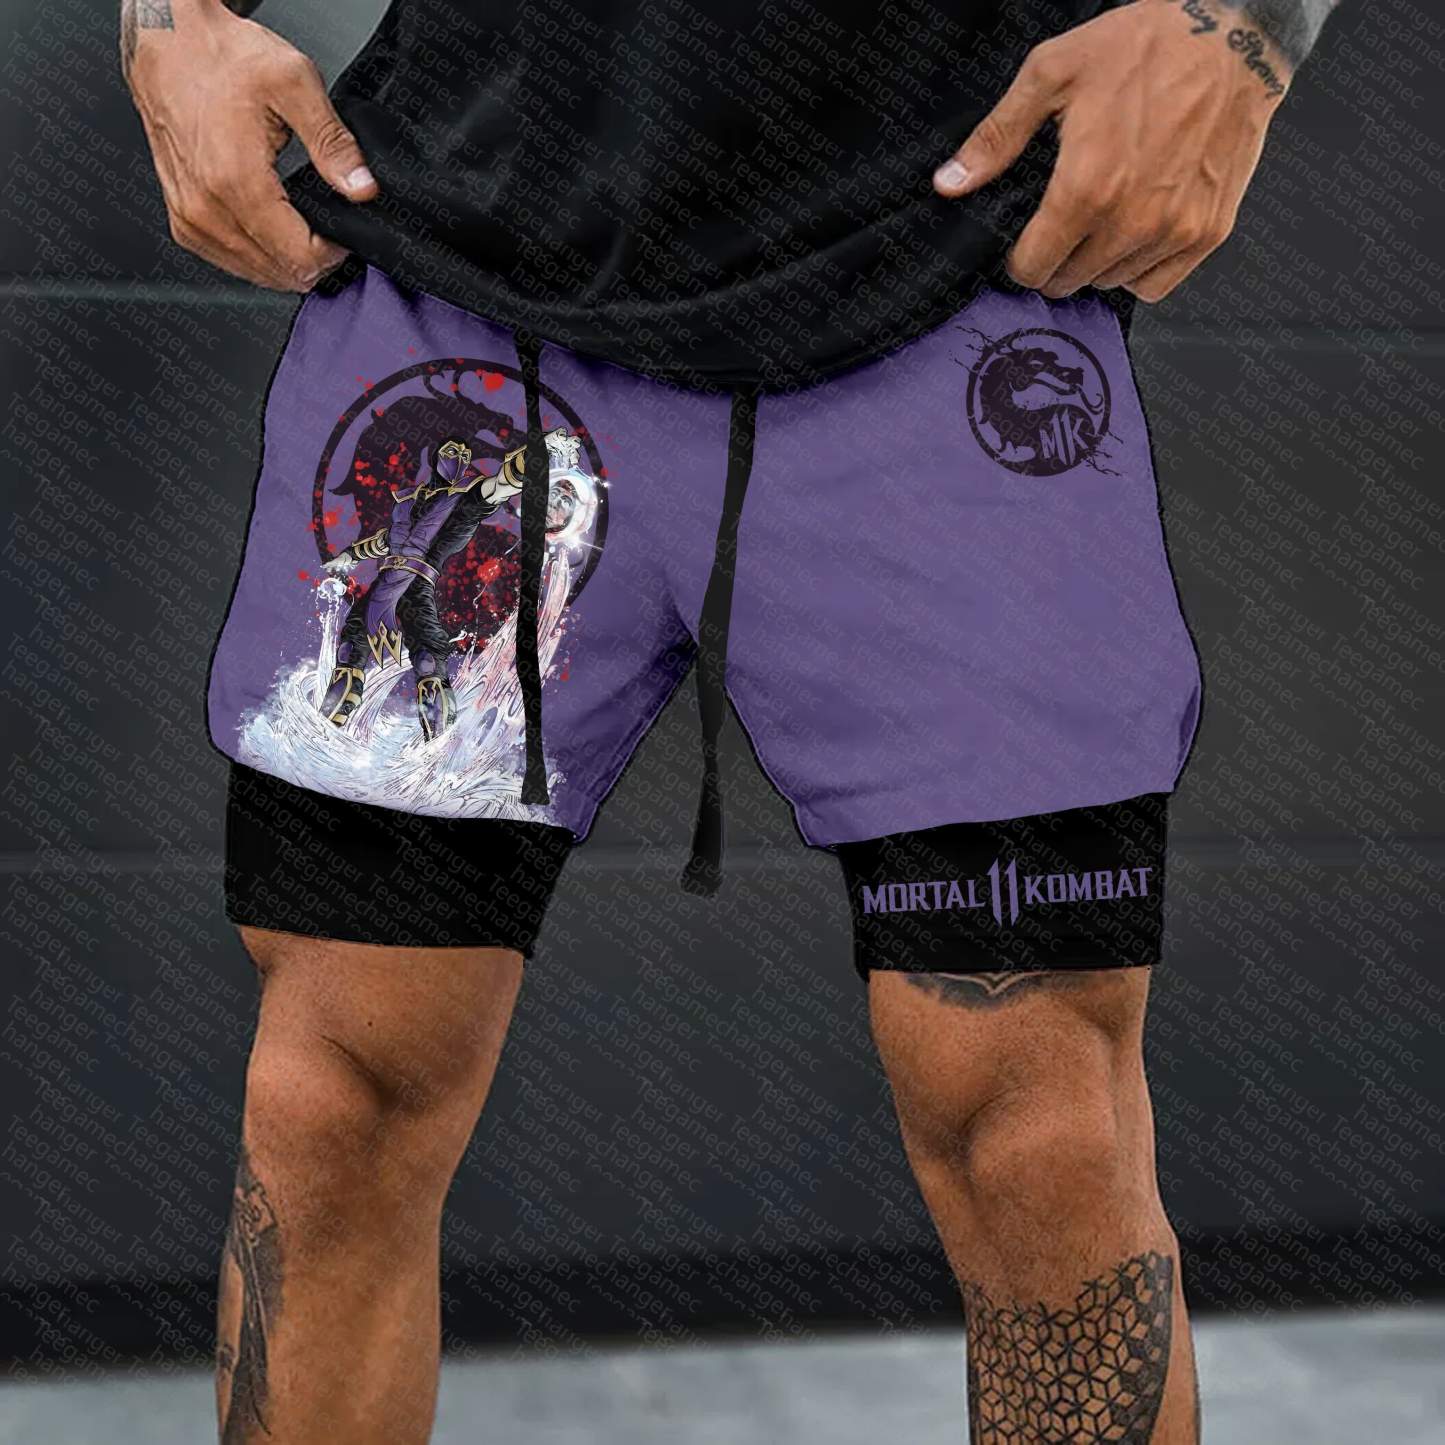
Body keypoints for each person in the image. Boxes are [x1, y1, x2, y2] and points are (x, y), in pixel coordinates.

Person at [121, 1, 1341, 1441]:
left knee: (1038, 1132)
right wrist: (167, 23)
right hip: (464, 289)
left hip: (944, 283)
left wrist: (1249, 27)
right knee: (333, 1107)